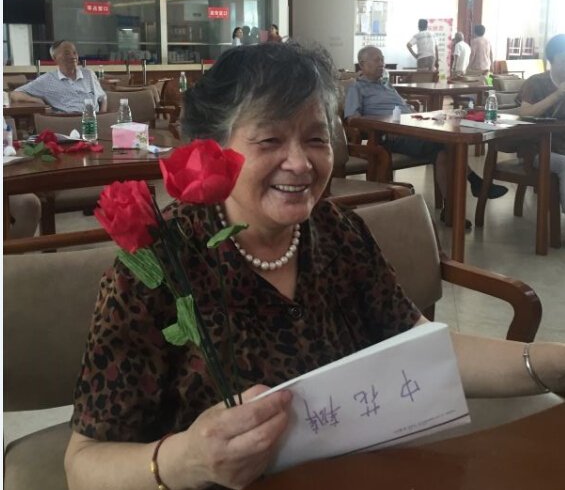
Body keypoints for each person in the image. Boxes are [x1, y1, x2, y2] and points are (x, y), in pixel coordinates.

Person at [64, 42, 564, 490]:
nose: (301, 163)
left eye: (316, 139)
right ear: (212, 149)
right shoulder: (158, 265)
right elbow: (83, 464)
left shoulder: (337, 232)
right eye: (269, 141)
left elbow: (423, 348)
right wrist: (187, 460)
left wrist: (548, 361)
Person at [344, 46, 507, 224]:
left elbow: (404, 107)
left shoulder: (387, 85)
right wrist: (382, 127)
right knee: (445, 143)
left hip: (411, 127)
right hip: (389, 135)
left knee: (443, 153)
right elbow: (352, 119)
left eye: (382, 59)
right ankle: (476, 183)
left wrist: (416, 115)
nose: (381, 63)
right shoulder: (357, 88)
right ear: (362, 64)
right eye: (377, 60)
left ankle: (451, 210)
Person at [516, 33, 565, 213]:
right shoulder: (536, 82)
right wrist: (557, 95)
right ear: (551, 60)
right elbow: (525, 113)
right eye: (563, 61)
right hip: (538, 149)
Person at [10, 40, 107, 113]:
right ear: (55, 58)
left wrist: (103, 116)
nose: (73, 57)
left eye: (74, 53)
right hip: (66, 122)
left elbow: (103, 97)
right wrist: (36, 100)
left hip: (93, 121)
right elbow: (15, 94)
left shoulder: (88, 74)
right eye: (67, 53)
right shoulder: (47, 80)